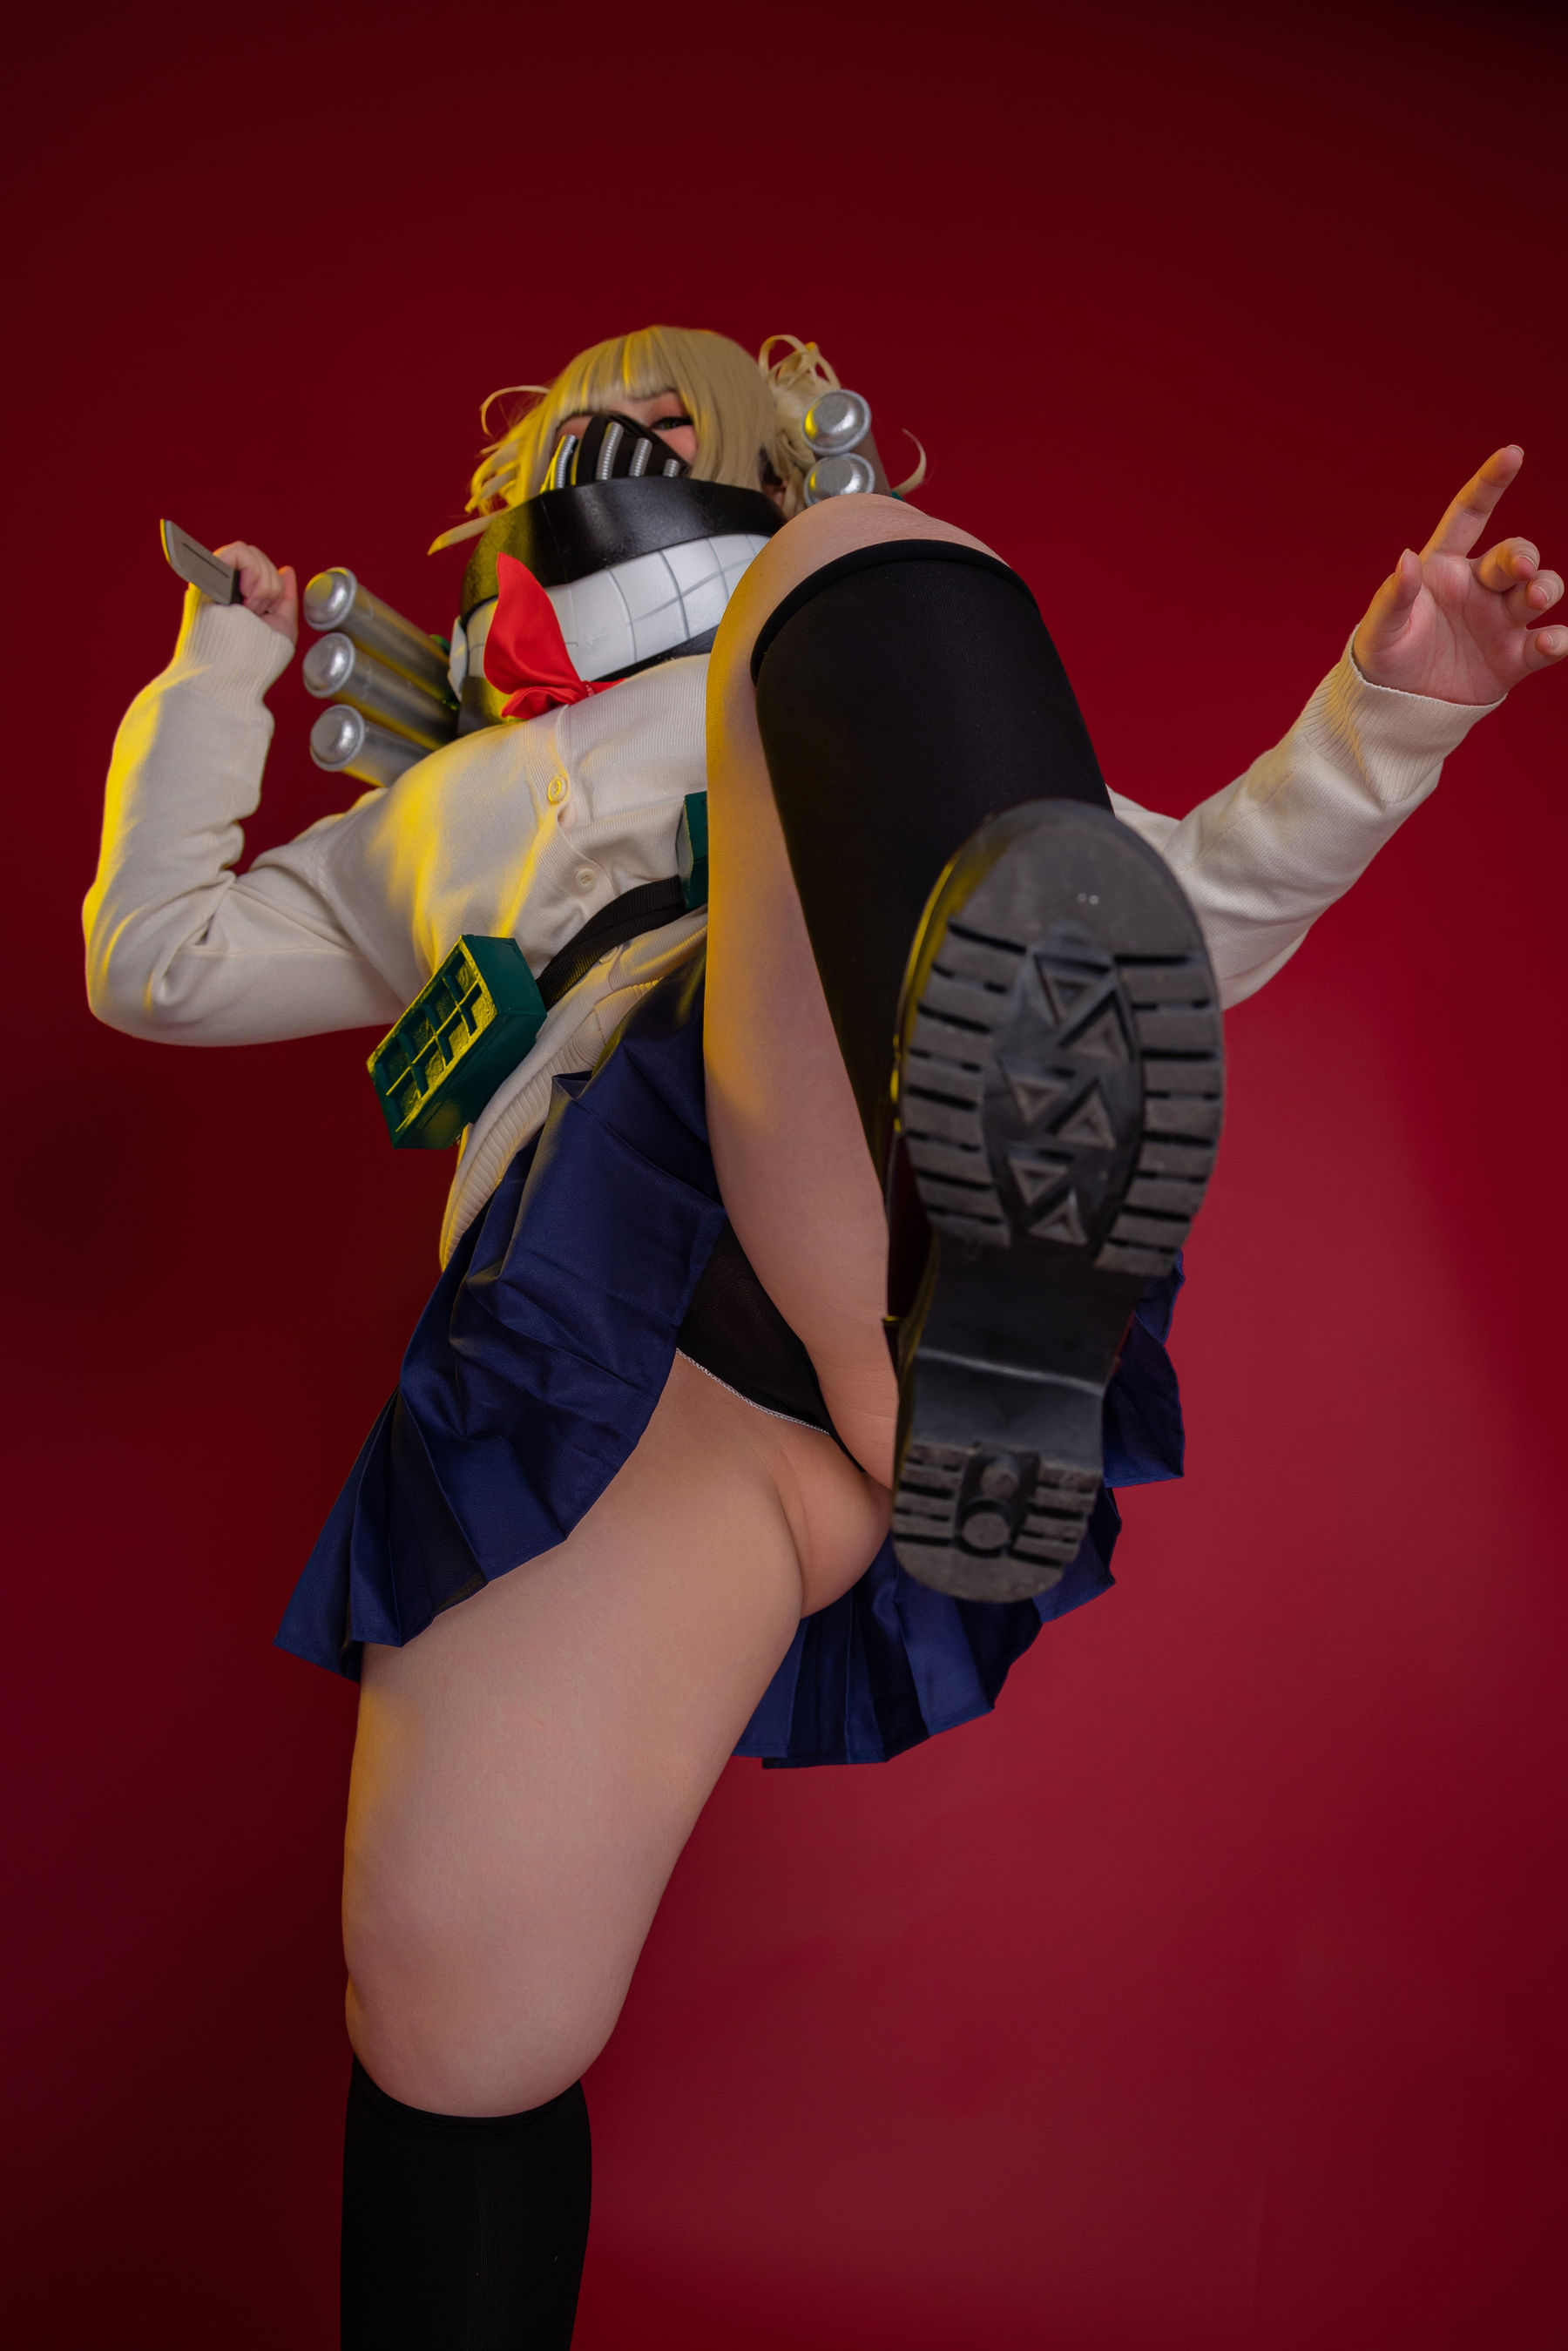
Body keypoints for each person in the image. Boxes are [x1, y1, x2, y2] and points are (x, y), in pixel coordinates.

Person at [84, 325, 1565, 2348]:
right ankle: (951, 1352)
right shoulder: (435, 815)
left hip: (818, 1143)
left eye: (679, 417)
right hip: (616, 1379)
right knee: (452, 2031)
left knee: (867, 591)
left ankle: (966, 1294)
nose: (630, 448)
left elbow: (1179, 916)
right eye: (590, 423)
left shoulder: (817, 656)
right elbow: (153, 964)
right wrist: (223, 667)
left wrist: (1389, 715)